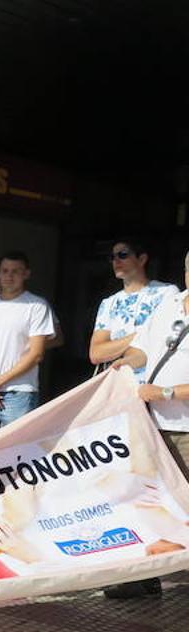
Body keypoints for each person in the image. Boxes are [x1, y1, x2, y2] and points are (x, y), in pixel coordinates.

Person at [109, 250, 189, 601]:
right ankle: (144, 576)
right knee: (147, 502)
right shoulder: (170, 304)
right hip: (151, 424)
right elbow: (143, 351)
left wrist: (166, 391)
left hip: (186, 428)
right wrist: (121, 365)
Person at [0, 252, 55, 441]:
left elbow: (36, 353)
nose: (9, 276)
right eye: (5, 271)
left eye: (16, 271)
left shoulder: (36, 306)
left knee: (17, 454)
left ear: (26, 274)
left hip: (19, 393)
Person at [89, 238, 177, 373]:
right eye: (112, 257)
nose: (116, 261)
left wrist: (115, 347)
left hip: (153, 381)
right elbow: (96, 353)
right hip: (118, 382)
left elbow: (166, 338)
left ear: (142, 259)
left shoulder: (167, 293)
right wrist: (141, 335)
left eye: (123, 255)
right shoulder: (109, 303)